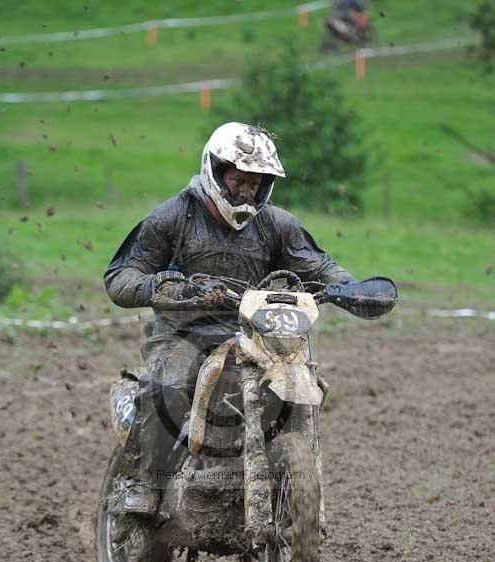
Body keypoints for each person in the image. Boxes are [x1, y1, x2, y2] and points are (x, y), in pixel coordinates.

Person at [104, 122, 354, 516]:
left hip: (256, 331)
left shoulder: (276, 224)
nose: (246, 191)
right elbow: (120, 276)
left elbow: (318, 265)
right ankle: (146, 484)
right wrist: (163, 287)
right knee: (167, 383)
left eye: (256, 183)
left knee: (297, 387)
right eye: (239, 180)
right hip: (181, 332)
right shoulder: (173, 217)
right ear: (215, 172)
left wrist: (349, 288)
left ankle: (287, 480)